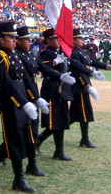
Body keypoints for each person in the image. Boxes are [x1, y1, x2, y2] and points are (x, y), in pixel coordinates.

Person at [0, 21, 38, 193]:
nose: (15, 40)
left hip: (22, 100)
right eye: (11, 37)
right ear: (1, 39)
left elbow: (24, 78)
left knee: (20, 137)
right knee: (14, 139)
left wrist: (33, 98)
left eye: (15, 37)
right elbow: (5, 84)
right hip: (10, 102)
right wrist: (23, 102)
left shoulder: (14, 54)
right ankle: (18, 180)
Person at [70, 28, 111, 148]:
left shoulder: (80, 52)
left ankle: (84, 139)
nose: (82, 40)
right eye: (79, 38)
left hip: (83, 85)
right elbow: (77, 71)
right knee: (83, 113)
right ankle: (83, 139)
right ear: (73, 40)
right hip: (79, 86)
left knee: (75, 116)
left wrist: (110, 66)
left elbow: (93, 62)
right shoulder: (73, 53)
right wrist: (87, 85)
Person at [36, 28, 77, 161]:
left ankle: (53, 148)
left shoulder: (60, 52)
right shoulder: (46, 53)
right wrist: (54, 62)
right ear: (48, 40)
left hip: (62, 90)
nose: (58, 40)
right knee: (54, 120)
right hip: (52, 89)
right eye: (55, 38)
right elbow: (41, 66)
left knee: (61, 120)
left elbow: (70, 65)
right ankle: (56, 150)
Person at [15, 26, 48, 176]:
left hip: (33, 93)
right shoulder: (17, 55)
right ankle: (30, 164)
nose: (30, 42)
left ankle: (31, 164)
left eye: (29, 39)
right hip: (25, 96)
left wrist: (58, 74)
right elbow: (26, 80)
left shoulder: (29, 54)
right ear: (18, 41)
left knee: (31, 131)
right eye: (26, 39)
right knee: (25, 131)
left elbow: (41, 66)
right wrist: (35, 98)